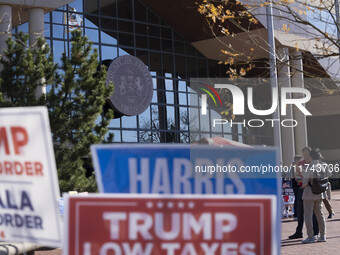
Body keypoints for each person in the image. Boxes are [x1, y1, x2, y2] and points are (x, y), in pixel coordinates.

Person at [289, 147, 319, 239]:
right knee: (299, 210)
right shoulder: (300, 163)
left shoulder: (314, 164)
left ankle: (315, 232)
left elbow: (314, 177)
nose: (305, 157)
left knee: (313, 212)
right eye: (304, 155)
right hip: (301, 188)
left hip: (311, 189)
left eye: (307, 155)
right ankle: (299, 232)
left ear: (310, 154)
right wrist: (297, 176)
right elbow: (296, 176)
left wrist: (302, 174)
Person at [301, 149, 327, 244]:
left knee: (308, 216)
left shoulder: (310, 167)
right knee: (320, 215)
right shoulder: (322, 166)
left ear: (311, 156)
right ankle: (323, 235)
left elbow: (305, 182)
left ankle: (311, 236)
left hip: (309, 193)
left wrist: (303, 184)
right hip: (320, 193)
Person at [317, 150, 335, 219]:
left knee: (324, 198)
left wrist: (324, 175)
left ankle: (331, 212)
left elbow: (329, 173)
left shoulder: (324, 165)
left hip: (323, 184)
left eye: (320, 158)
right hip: (316, 183)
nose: (319, 159)